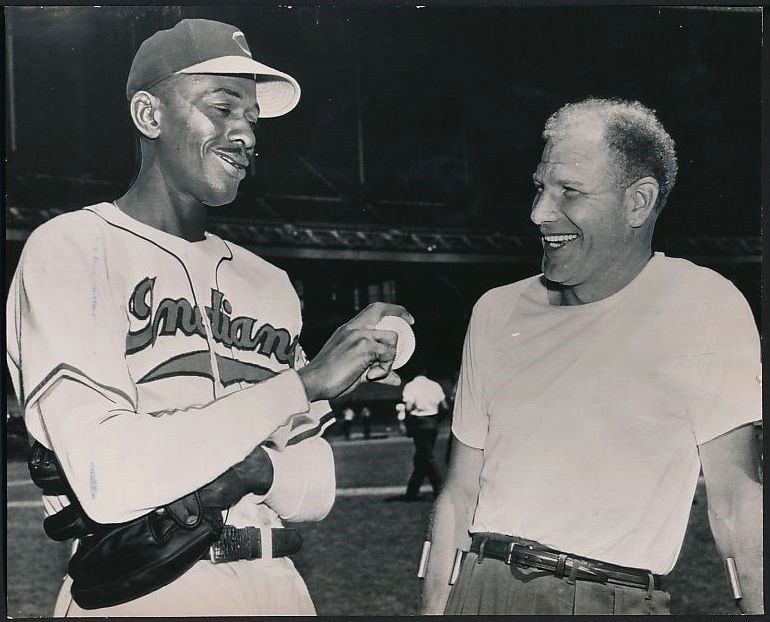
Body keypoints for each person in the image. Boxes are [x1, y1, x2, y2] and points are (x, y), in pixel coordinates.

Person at [6, 18, 413, 617]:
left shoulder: (269, 284)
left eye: (252, 117)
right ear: (150, 116)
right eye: (223, 108)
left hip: (280, 584)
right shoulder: (72, 247)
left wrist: (250, 469)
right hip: (146, 591)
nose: (246, 133)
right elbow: (109, 474)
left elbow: (317, 487)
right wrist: (301, 385)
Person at [421, 98, 762, 615]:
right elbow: (458, 496)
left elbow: (738, 504)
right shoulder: (496, 311)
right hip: (478, 588)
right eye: (539, 187)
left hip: (609, 599)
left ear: (637, 202)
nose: (538, 212)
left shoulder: (703, 304)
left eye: (569, 192)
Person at [388, 372, 447, 502]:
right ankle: (412, 491)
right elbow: (445, 407)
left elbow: (408, 407)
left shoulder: (411, 386)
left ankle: (441, 489)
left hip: (420, 425)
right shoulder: (435, 385)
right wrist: (437, 421)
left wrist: (407, 424)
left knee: (428, 458)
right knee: (421, 457)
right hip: (433, 424)